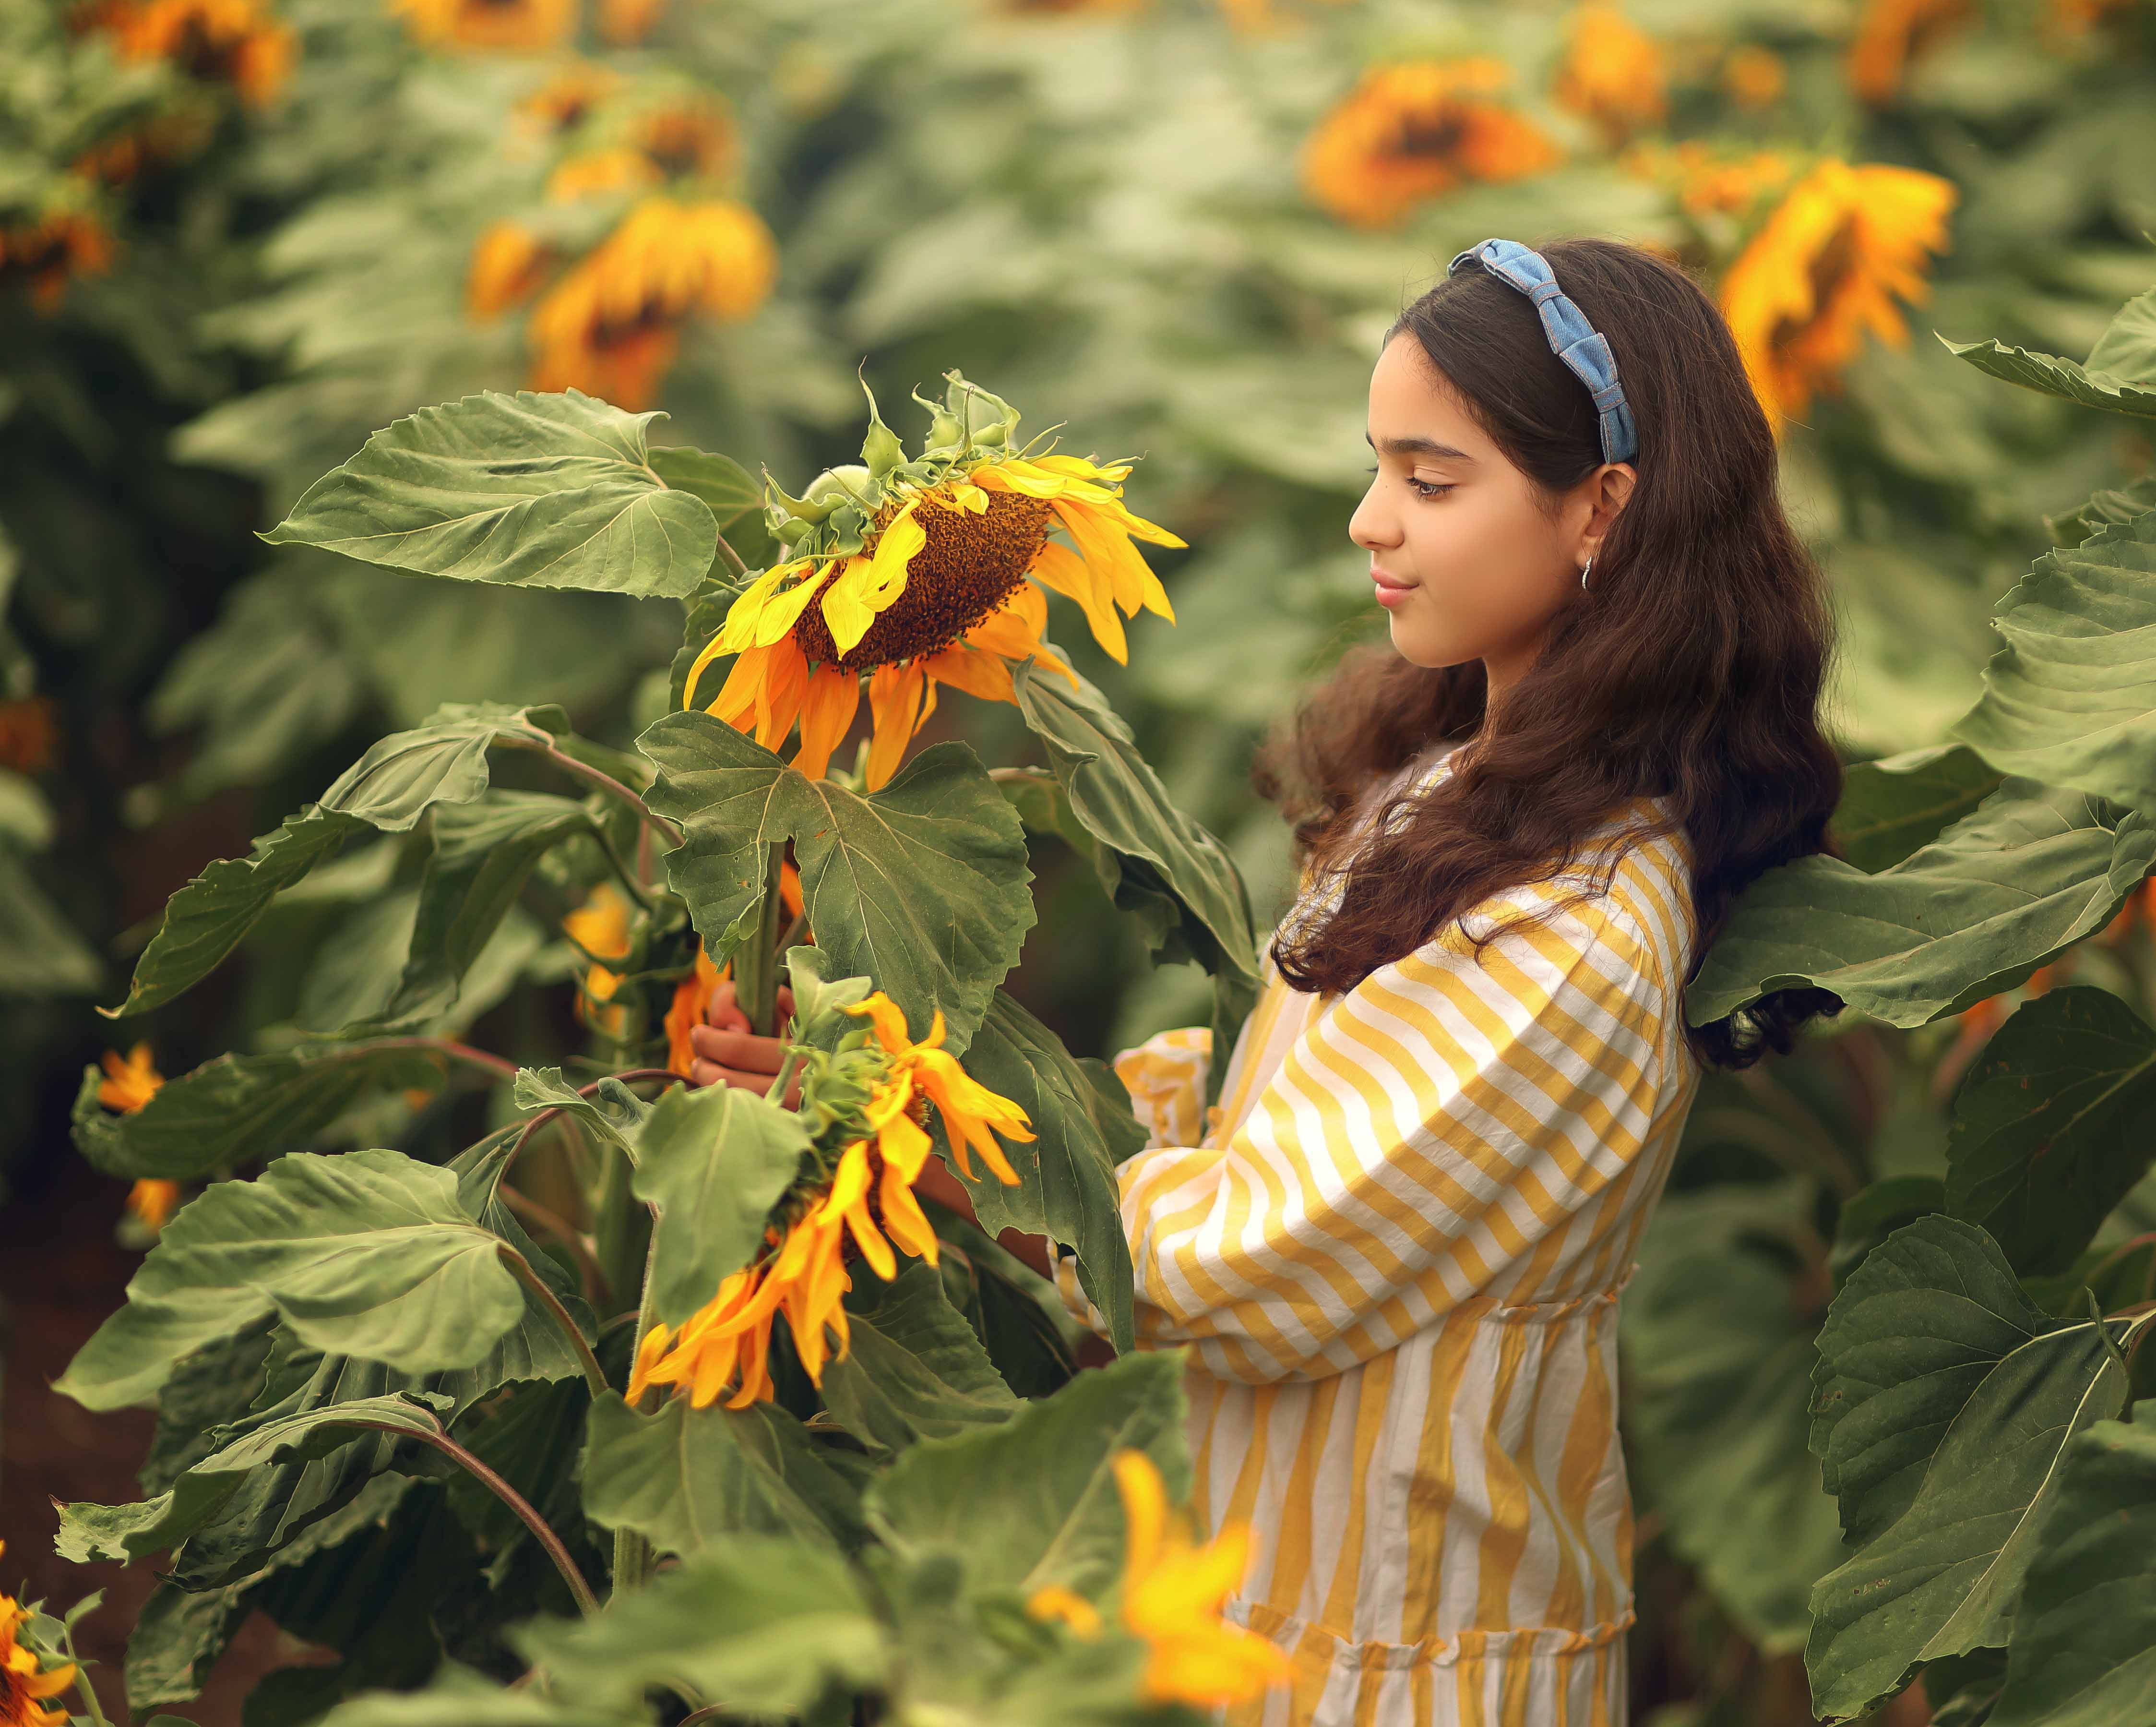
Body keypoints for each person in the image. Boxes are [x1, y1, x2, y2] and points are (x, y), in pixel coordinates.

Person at [688, 236, 1841, 1726]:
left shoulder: (1584, 925)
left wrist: (936, 1147)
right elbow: (1261, 1108)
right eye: (1381, 469)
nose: (1375, 522)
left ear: (1601, 509)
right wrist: (916, 1081)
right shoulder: (1450, 791)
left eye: (1433, 482)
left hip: (1406, 1647)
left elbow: (1254, 1257)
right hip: (1266, 1588)